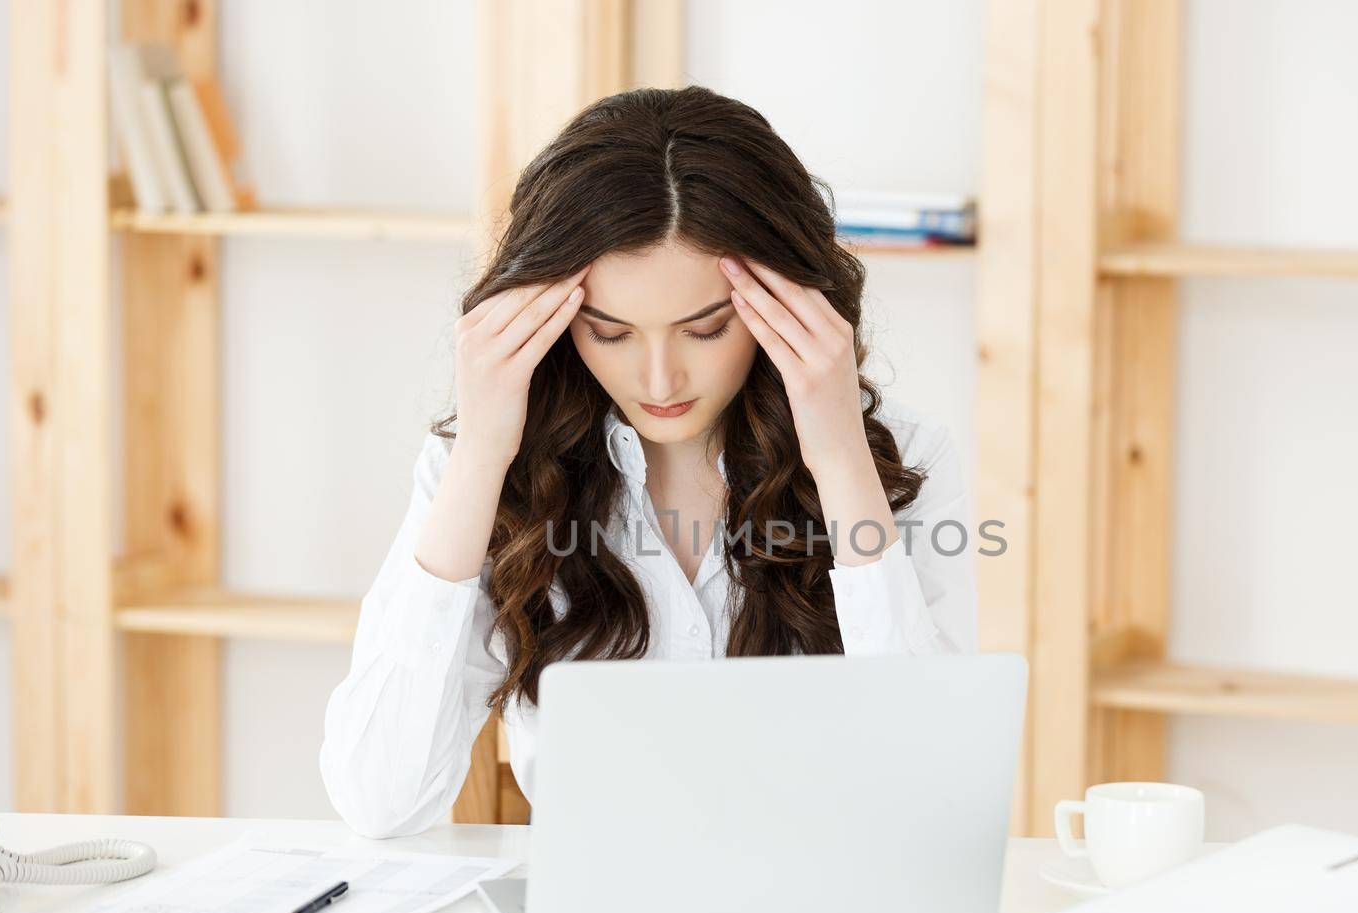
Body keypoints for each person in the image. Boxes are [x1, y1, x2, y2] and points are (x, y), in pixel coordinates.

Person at [320, 85, 976, 839]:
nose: (660, 382)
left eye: (705, 329)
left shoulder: (903, 460)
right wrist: (480, 458)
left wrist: (837, 462)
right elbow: (379, 799)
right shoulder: (484, 466)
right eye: (611, 331)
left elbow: (933, 803)